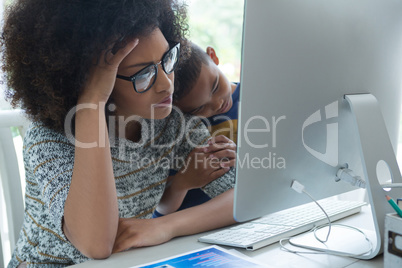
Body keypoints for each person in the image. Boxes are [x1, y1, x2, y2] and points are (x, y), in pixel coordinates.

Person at [1, 1, 236, 267]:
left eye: (167, 60)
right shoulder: (51, 139)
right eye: (143, 74)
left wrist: (167, 226)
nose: (166, 83)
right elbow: (96, 244)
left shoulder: (172, 124)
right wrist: (91, 100)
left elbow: (243, 198)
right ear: (88, 80)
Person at [154, 42, 240, 216]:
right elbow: (161, 209)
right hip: (189, 229)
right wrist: (183, 181)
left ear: (213, 56)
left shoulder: (259, 100)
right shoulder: (180, 130)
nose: (218, 104)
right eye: (199, 108)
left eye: (216, 86)